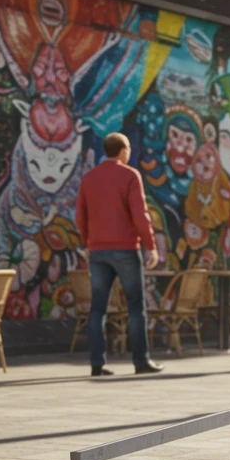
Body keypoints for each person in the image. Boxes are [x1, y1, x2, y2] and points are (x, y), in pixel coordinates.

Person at [75, 132, 163, 377]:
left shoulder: (89, 178)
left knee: (98, 307)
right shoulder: (130, 175)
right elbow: (140, 214)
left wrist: (87, 242)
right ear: (124, 150)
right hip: (126, 249)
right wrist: (151, 246)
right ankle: (140, 360)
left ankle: (97, 363)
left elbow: (80, 215)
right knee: (135, 306)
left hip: (98, 251)